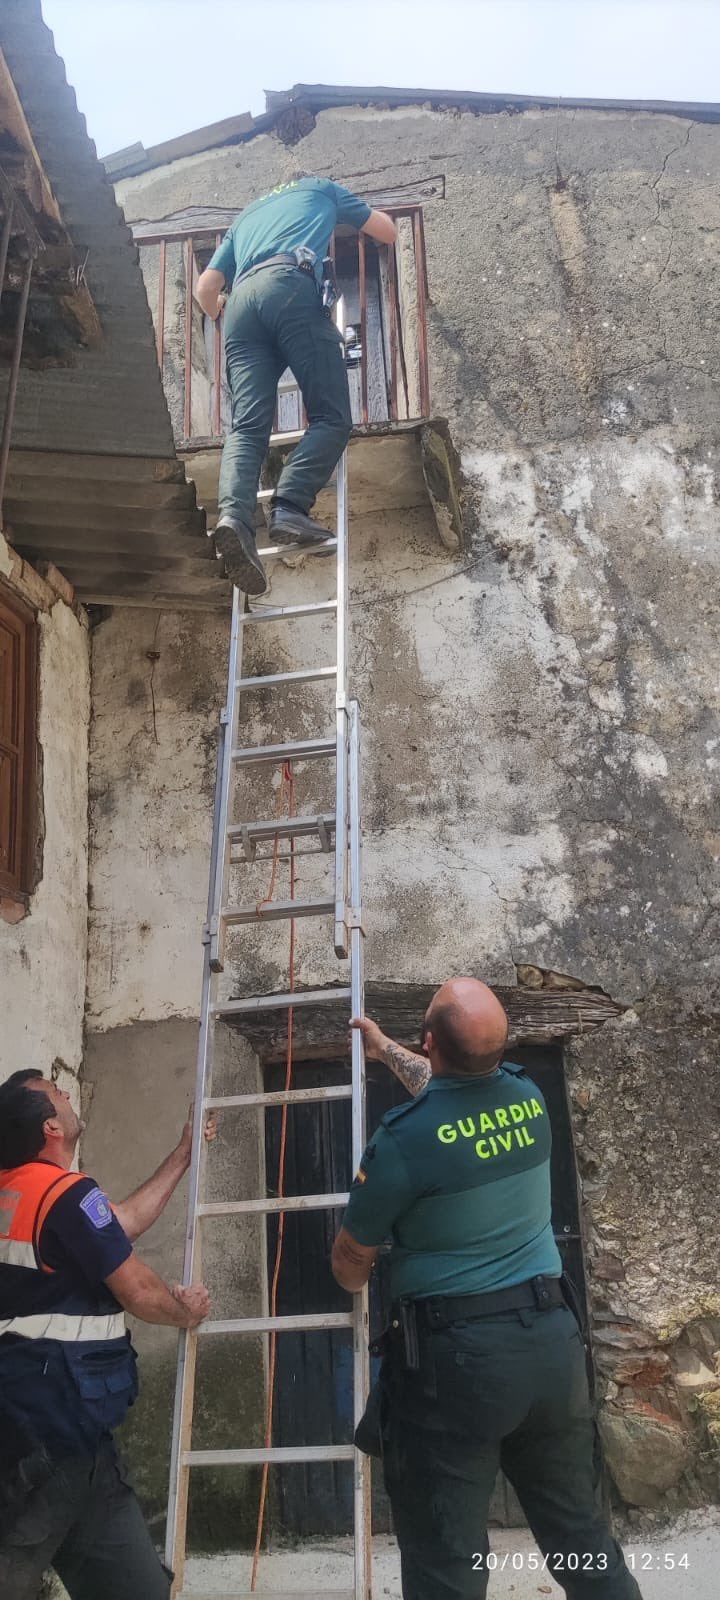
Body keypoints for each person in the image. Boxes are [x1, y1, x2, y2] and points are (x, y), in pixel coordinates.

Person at [332, 978, 642, 1600]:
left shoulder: (400, 1141)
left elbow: (351, 1264)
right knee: (583, 1541)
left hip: (457, 1365)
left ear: (430, 1041)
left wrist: (361, 1262)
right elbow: (450, 1089)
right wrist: (387, 1049)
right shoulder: (527, 1098)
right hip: (553, 1348)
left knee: (448, 1564)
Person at [0, 1068, 214, 1600]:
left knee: (135, 1587)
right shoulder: (66, 1194)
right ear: (52, 1126)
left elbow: (116, 1226)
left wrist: (184, 1153)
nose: (67, 1094)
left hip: (70, 1442)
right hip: (48, 1438)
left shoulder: (21, 1194)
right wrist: (184, 1311)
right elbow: (139, 1291)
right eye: (57, 1092)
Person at [195, 174, 397, 596]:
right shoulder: (320, 189)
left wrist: (221, 315)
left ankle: (234, 518)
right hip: (290, 286)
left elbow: (206, 288)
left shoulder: (245, 217)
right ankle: (289, 506)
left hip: (241, 306)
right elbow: (388, 231)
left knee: (247, 427)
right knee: (332, 417)